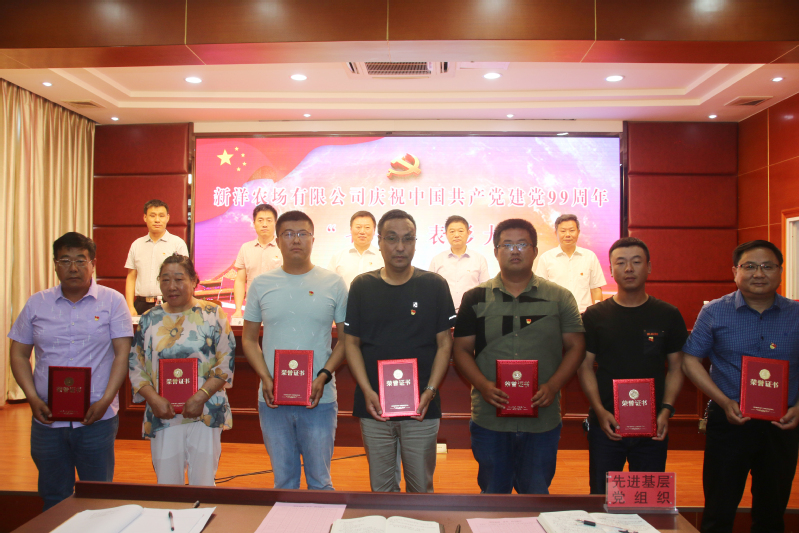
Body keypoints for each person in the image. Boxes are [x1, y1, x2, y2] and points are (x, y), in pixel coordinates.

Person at [452, 218, 585, 494]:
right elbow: (461, 350)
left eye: (522, 244)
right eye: (507, 245)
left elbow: (576, 347)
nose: (515, 250)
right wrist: (483, 385)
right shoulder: (474, 298)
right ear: (495, 251)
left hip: (542, 418)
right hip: (490, 418)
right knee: (493, 497)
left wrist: (553, 386)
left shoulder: (560, 297)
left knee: (536, 496)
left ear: (535, 251)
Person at [8, 232, 132, 510]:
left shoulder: (113, 301)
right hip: (47, 419)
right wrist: (31, 397)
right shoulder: (36, 303)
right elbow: (18, 354)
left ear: (93, 264)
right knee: (53, 497)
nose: (73, 268)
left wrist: (105, 401)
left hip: (96, 418)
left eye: (80, 260)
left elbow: (122, 355)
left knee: (98, 497)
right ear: (55, 265)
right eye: (65, 260)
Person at [682, 240, 799, 533]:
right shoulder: (714, 312)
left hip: (783, 423)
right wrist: (723, 401)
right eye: (749, 266)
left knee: (772, 512)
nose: (759, 273)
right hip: (729, 420)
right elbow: (690, 360)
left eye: (767, 266)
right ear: (735, 271)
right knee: (718, 510)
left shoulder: (796, 314)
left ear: (780, 271)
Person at [345, 209, 456, 493]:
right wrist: (367, 390)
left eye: (408, 239)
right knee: (381, 491)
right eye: (392, 238)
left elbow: (445, 343)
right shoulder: (362, 286)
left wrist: (430, 390)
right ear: (379, 242)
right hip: (374, 406)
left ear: (416, 243)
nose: (400, 247)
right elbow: (351, 343)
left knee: (421, 490)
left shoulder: (434, 285)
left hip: (421, 406)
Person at [241, 210, 348, 490]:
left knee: (320, 482)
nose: (296, 240)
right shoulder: (261, 284)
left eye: (302, 234)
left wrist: (323, 375)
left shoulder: (334, 283)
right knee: (284, 483)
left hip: (319, 398)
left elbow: (346, 340)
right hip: (273, 398)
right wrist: (266, 377)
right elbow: (249, 340)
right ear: (277, 241)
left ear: (313, 239)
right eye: (288, 234)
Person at [576, 237, 687, 494]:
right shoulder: (594, 316)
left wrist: (666, 410)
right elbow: (584, 367)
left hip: (653, 424)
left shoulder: (668, 314)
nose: (628, 269)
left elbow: (676, 367)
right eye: (621, 263)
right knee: (602, 498)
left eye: (636, 262)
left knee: (647, 497)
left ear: (649, 267)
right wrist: (599, 411)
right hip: (606, 423)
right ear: (611, 270)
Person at [129, 254, 235, 486]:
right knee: (168, 486)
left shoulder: (213, 314)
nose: (172, 286)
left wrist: (200, 396)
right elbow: (136, 366)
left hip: (204, 411)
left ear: (194, 280)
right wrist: (154, 399)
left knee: (203, 484)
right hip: (163, 414)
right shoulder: (149, 319)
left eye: (179, 279)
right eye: (165, 279)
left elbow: (226, 362)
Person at [125, 199, 189, 316]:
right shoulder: (136, 244)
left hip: (170, 303)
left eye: (161, 216)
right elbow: (131, 276)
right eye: (152, 216)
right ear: (145, 218)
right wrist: (129, 306)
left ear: (167, 218)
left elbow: (184, 277)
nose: (157, 220)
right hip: (141, 304)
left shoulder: (177, 244)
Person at [534, 214, 606, 313]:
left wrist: (598, 314)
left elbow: (596, 289)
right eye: (563, 231)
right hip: (556, 315)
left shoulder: (590, 256)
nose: (567, 234)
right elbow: (540, 291)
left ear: (578, 232)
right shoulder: (546, 258)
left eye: (572, 230)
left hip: (584, 315)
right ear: (556, 233)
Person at [429, 215, 490, 310]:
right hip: (443, 311)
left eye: (461, 231)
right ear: (446, 234)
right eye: (452, 231)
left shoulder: (479, 259)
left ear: (468, 233)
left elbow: (485, 289)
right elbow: (430, 289)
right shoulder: (437, 260)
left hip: (472, 312)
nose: (456, 235)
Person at [233, 203, 282, 317]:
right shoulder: (245, 248)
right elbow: (240, 281)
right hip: (252, 308)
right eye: (260, 220)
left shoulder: (283, 248)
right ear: (254, 223)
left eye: (269, 220)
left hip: (278, 307)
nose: (264, 224)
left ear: (275, 223)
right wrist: (238, 309)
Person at [327, 210, 384, 288]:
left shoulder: (383, 257)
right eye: (358, 227)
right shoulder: (338, 257)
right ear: (351, 229)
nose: (362, 231)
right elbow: (329, 285)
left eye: (367, 227)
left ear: (374, 230)